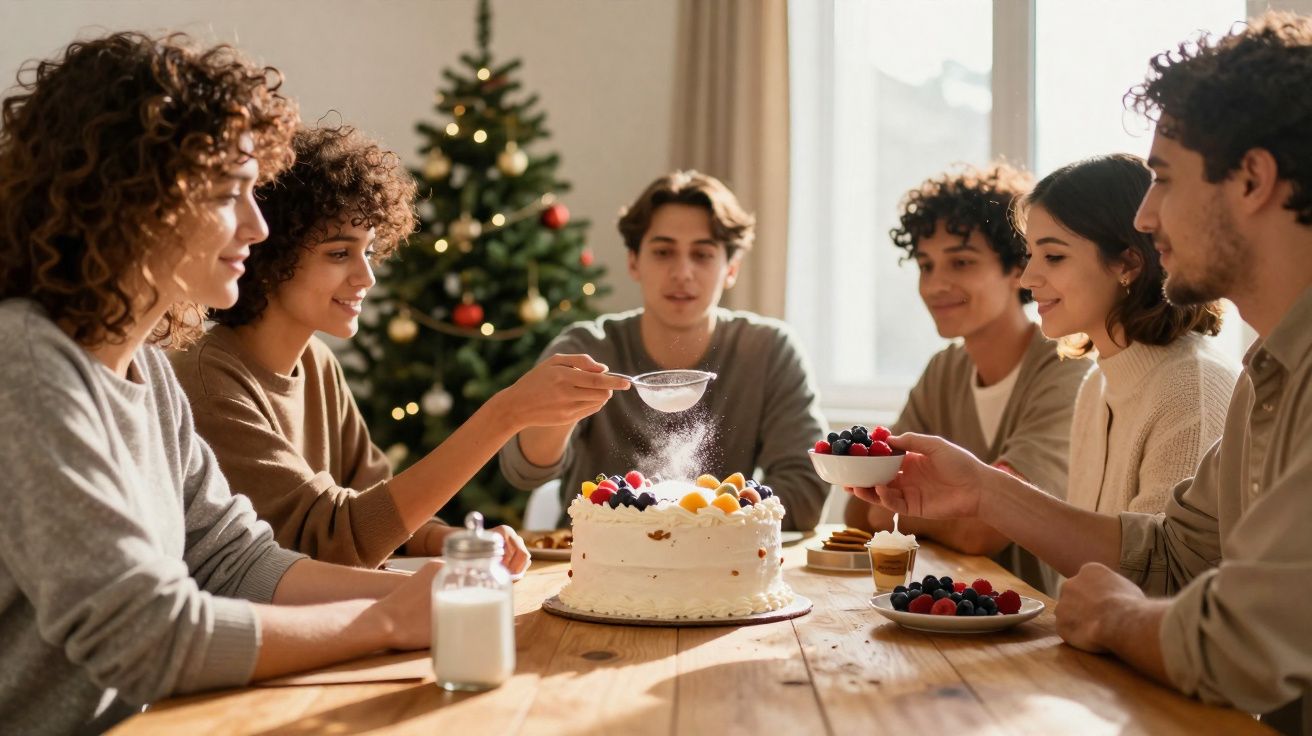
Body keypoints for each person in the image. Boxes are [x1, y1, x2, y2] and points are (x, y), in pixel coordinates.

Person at [849, 13, 1312, 733]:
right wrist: (983, 490)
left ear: (1251, 179)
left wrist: (1122, 618)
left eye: (1162, 179)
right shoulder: (1268, 375)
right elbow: (1174, 554)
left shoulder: (1235, 379)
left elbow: (1241, 644)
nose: (1148, 218)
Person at [0, 33, 438, 732]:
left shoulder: (147, 370)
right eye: (230, 194)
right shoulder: (24, 366)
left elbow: (233, 558)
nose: (258, 225)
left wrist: (431, 593)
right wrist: (382, 619)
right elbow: (148, 637)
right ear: (136, 197)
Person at [171, 124, 616, 570]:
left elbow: (380, 510)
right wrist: (505, 415)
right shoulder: (210, 381)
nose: (367, 277)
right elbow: (335, 537)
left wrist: (457, 541)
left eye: (368, 251)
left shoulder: (316, 362)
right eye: (339, 254)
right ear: (270, 257)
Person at [499, 171, 829, 531]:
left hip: (721, 572)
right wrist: (561, 412)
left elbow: (805, 493)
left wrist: (701, 521)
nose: (682, 272)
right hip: (600, 569)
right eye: (663, 251)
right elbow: (522, 471)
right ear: (634, 262)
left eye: (702, 254)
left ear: (730, 269)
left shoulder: (769, 352)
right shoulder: (586, 349)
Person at [844, 163, 1091, 591]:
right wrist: (913, 512)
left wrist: (900, 511)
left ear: (1018, 268)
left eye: (960, 262)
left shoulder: (1066, 367)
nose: (935, 285)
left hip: (1041, 625)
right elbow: (861, 508)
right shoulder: (944, 370)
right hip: (953, 609)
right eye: (925, 264)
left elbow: (982, 533)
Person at [1018, 154, 1236, 530]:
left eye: (1053, 256)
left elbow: (1159, 580)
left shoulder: (1190, 390)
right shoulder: (1095, 387)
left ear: (1129, 264)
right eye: (1030, 255)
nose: (1027, 278)